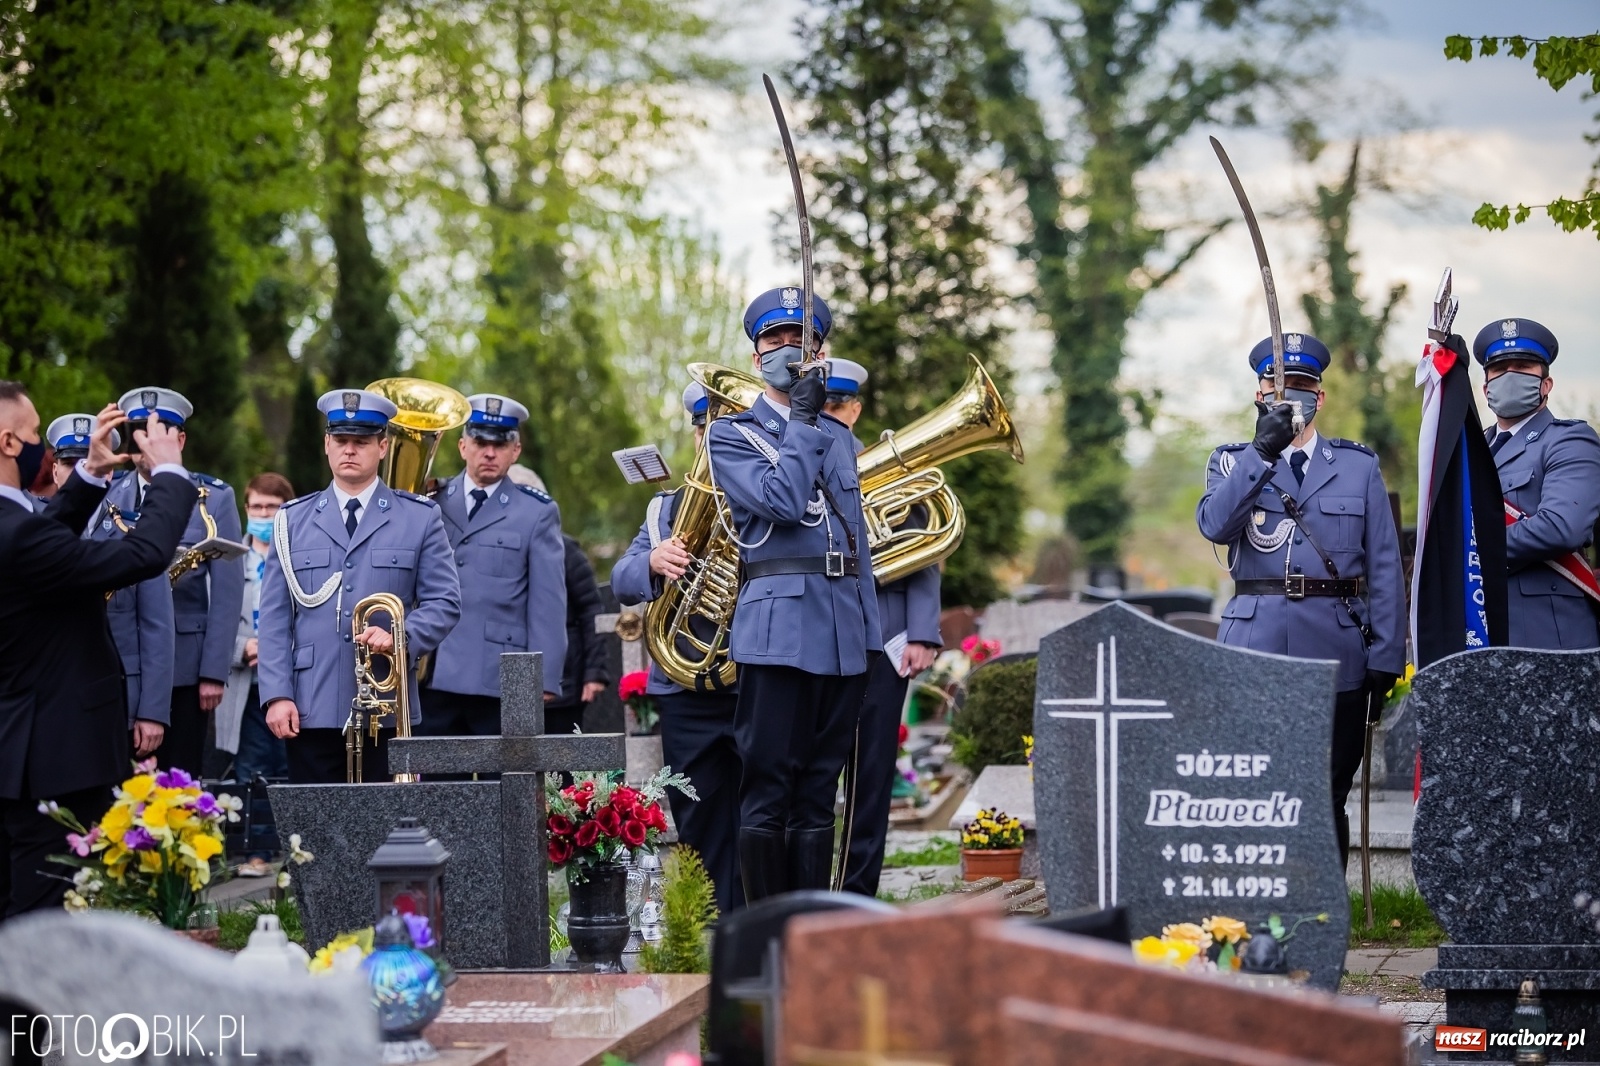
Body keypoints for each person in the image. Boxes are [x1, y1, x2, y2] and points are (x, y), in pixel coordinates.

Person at [1196, 334, 1406, 866]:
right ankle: (1256, 913)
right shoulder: (1231, 462)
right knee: (1257, 790)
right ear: (1260, 393)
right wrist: (1262, 451)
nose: (1291, 394)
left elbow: (1384, 566)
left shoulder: (1357, 467)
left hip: (1336, 652)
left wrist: (1386, 656)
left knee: (1326, 795)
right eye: (1276, 384)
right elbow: (1216, 525)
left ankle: (1325, 921)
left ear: (1321, 395)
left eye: (1303, 386)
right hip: (1254, 648)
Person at [705, 287, 882, 901]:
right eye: (774, 341)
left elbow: (854, 538)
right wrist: (805, 422)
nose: (787, 351)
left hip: (841, 630)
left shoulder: (837, 438)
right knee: (768, 789)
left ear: (820, 353)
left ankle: (812, 940)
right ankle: (766, 940)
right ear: (756, 357)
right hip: (777, 630)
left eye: (800, 341)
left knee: (817, 793)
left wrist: (870, 634)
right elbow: (780, 502)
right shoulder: (732, 435)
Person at [0, 388, 196, 919]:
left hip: (21, 752)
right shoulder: (17, 537)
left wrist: (87, 477)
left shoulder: (15, 528)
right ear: (9, 442)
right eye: (37, 432)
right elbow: (145, 553)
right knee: (43, 922)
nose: (43, 444)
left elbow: (40, 541)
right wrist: (170, 475)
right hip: (53, 761)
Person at [258, 389, 462, 784]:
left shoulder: (420, 518)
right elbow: (274, 618)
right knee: (313, 837)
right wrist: (277, 694)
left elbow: (446, 602)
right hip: (309, 705)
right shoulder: (291, 520)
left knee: (387, 835)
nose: (350, 450)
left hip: (387, 707)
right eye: (341, 440)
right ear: (326, 444)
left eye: (362, 441)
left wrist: (400, 636)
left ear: (383, 446)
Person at [611, 381, 745, 914]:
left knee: (762, 810)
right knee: (697, 812)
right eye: (705, 428)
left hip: (753, 677)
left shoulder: (767, 501)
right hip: (685, 684)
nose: (712, 437)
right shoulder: (662, 510)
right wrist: (651, 561)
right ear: (694, 435)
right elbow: (621, 578)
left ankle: (758, 922)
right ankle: (708, 923)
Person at [819, 362, 944, 898]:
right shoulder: (793, 465)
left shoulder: (890, 472)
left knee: (871, 775)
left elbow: (927, 549)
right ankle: (810, 887)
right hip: (817, 638)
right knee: (813, 772)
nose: (830, 416)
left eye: (838, 407)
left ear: (856, 409)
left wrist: (922, 632)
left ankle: (857, 893)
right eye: (820, 406)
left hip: (884, 639)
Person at [93, 387, 245, 777]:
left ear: (180, 440)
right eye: (140, 433)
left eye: (160, 433)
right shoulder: (109, 492)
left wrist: (213, 671)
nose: (148, 443)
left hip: (184, 664)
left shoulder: (214, 497)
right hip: (120, 659)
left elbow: (227, 592)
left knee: (178, 779)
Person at [422, 394, 567, 737]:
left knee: (500, 783)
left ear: (515, 452)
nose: (489, 453)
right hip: (432, 668)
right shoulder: (428, 501)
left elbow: (547, 602)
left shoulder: (536, 512)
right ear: (462, 446)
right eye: (480, 442)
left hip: (499, 675)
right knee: (434, 786)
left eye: (500, 445)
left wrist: (544, 676)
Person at [52, 414, 175, 763]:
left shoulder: (135, 532)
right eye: (70, 463)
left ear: (108, 470)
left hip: (122, 701)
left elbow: (156, 626)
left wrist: (152, 711)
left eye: (90, 460)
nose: (81, 469)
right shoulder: (33, 530)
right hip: (48, 700)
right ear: (55, 470)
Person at [1472, 317, 1600, 650]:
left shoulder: (1570, 440)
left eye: (1524, 366)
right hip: (1479, 626)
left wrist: (1471, 551)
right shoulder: (1471, 452)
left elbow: (1561, 527)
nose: (1510, 376)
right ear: (1486, 388)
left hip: (1548, 631)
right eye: (1499, 369)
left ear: (1546, 383)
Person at [217, 472, 295, 876]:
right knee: (251, 769)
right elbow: (213, 618)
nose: (264, 514)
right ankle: (256, 852)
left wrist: (279, 648)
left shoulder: (300, 554)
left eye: (273, 507)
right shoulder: (230, 559)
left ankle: (294, 852)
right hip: (246, 685)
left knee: (290, 766)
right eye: (257, 507)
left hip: (292, 684)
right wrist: (243, 646)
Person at [544, 534, 610, 737]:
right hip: (504, 685)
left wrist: (594, 671)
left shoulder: (564, 548)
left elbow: (591, 609)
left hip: (565, 678)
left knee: (561, 761)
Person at [821, 358, 870, 452]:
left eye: (837, 407)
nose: (826, 417)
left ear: (854, 412)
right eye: (819, 408)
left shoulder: (863, 458)